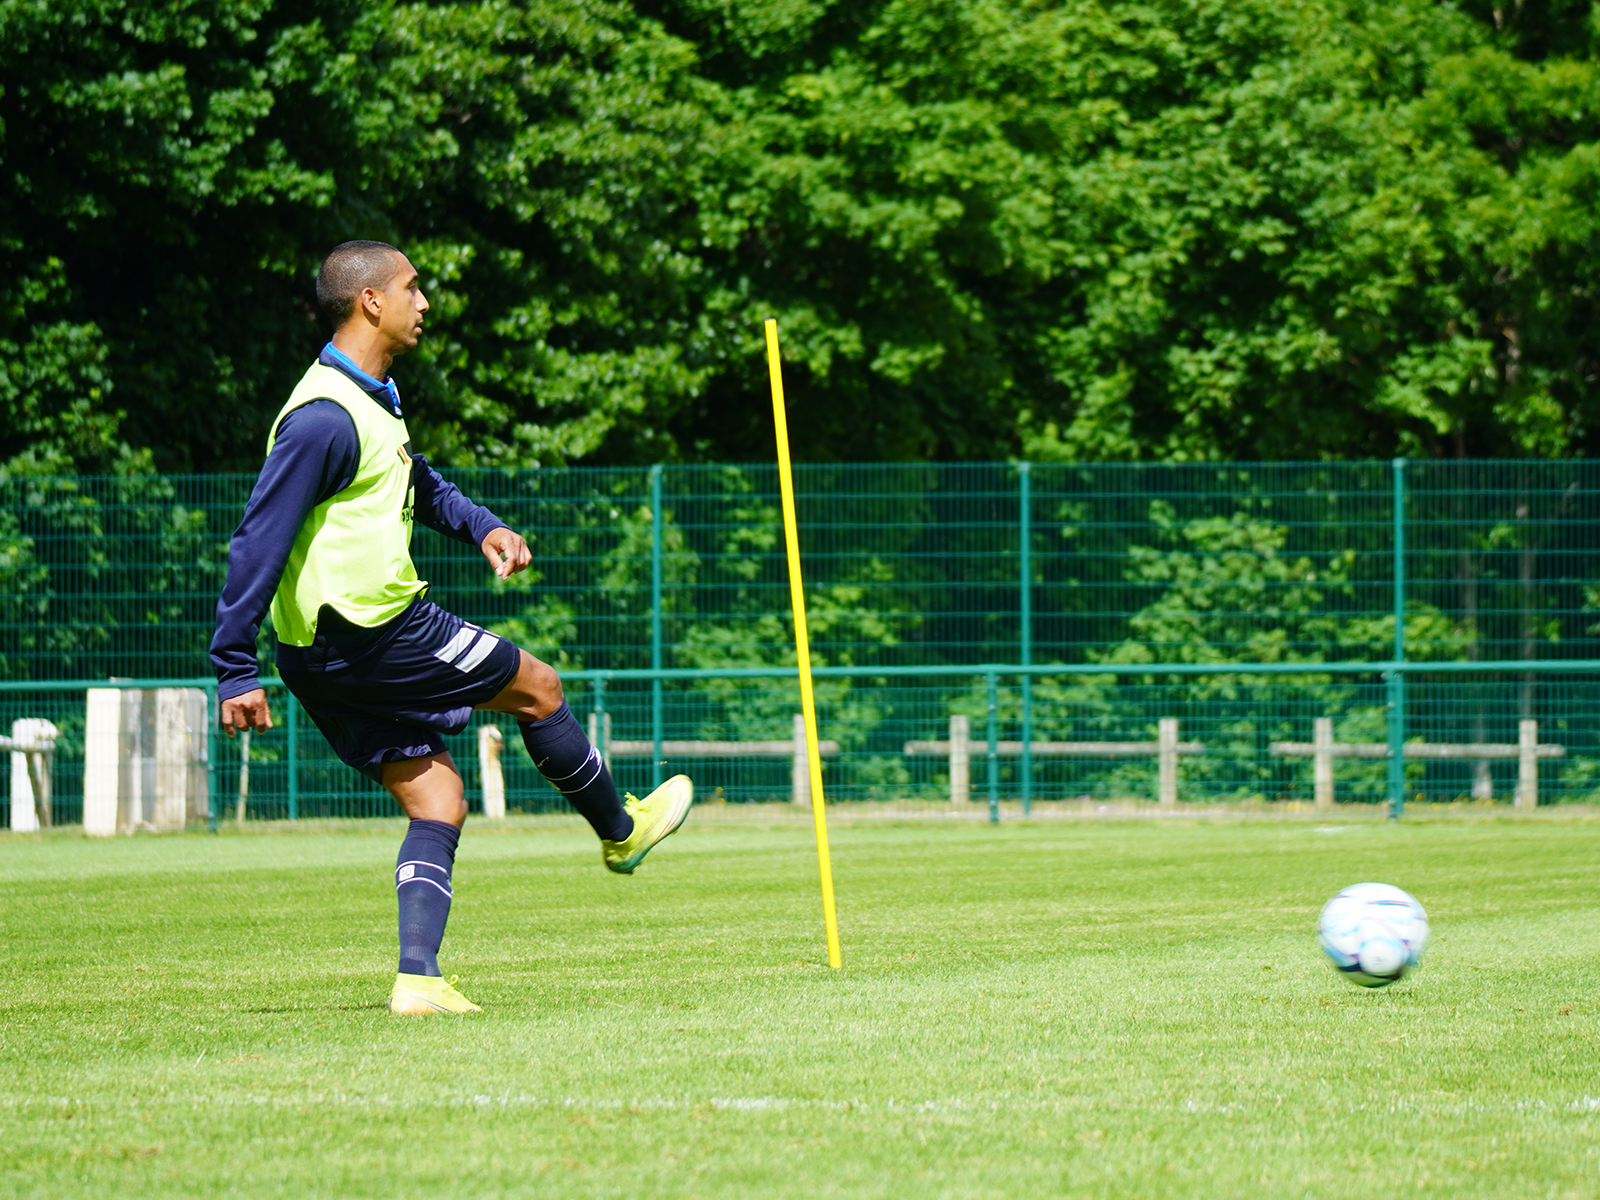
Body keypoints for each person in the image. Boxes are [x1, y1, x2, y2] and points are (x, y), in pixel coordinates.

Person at [210, 240, 692, 1016]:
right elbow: (259, 538)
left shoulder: (372, 396)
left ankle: (418, 980)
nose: (423, 301)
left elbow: (416, 479)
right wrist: (233, 665)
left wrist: (483, 527)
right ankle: (620, 830)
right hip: (375, 631)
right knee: (540, 688)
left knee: (438, 799)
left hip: (323, 652)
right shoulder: (324, 418)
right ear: (371, 301)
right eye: (412, 287)